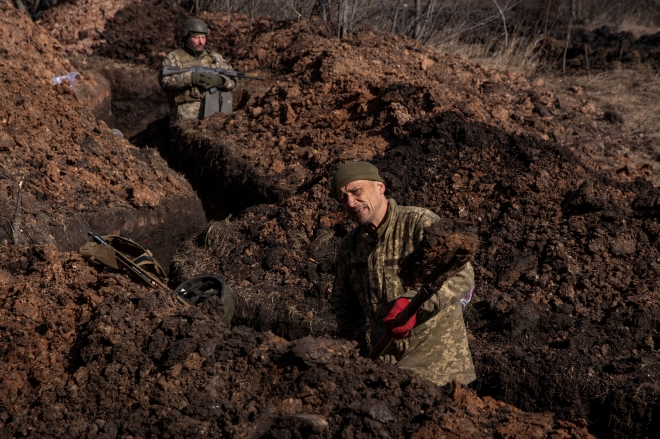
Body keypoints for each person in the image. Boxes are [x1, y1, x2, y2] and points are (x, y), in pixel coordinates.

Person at [330, 161, 476, 386]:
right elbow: (346, 311)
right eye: (342, 198)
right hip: (387, 369)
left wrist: (413, 305)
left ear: (380, 187)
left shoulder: (418, 223)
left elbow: (462, 276)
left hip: (439, 369)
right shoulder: (349, 248)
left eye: (356, 191)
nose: (350, 202)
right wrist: (354, 365)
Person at [159, 18, 236, 124]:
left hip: (212, 117)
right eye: (196, 37)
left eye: (203, 37)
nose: (200, 42)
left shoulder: (215, 58)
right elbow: (165, 82)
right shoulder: (174, 57)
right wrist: (191, 78)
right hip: (184, 118)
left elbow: (233, 80)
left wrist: (220, 81)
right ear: (186, 38)